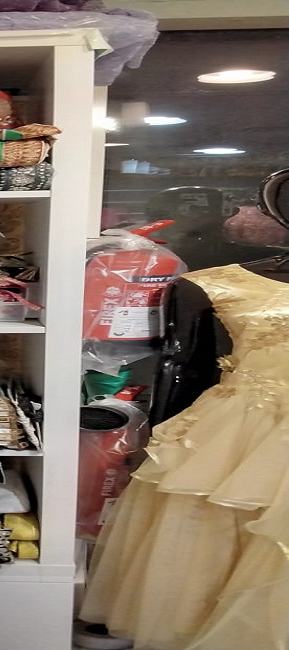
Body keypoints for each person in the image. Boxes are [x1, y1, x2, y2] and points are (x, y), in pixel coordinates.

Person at [79, 169, 289, 649]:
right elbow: (182, 370)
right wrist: (153, 440)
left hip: (245, 427)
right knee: (217, 545)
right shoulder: (213, 285)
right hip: (241, 434)